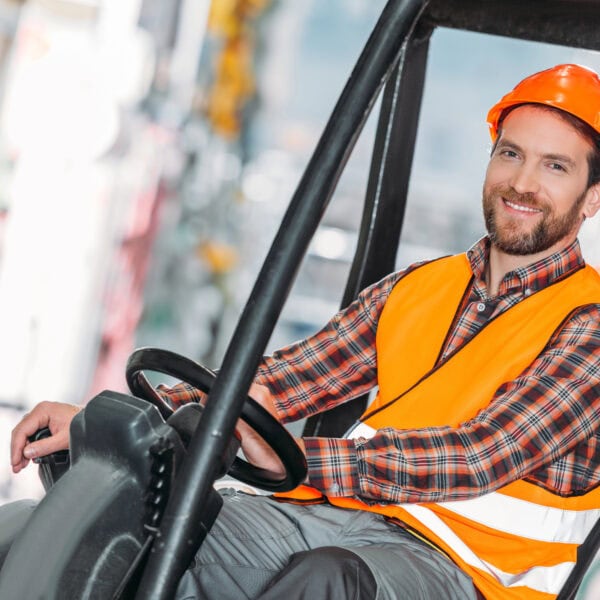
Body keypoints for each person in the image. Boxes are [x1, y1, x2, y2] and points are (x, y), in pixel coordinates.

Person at [9, 63, 600, 600]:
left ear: (592, 198)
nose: (523, 183)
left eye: (555, 166)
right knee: (123, 513)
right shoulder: (423, 287)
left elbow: (480, 457)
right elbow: (286, 377)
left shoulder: (591, 325)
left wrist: (294, 459)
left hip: (464, 572)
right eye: (511, 154)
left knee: (328, 581)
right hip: (327, 521)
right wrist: (117, 422)